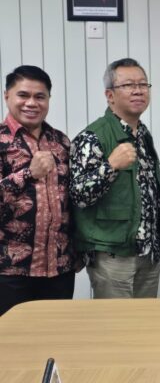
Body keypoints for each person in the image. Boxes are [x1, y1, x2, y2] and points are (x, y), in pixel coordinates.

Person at [70, 58, 160, 299]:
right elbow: (79, 195)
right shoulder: (93, 136)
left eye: (143, 84)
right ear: (110, 95)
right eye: (129, 85)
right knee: (114, 322)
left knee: (144, 320)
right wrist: (110, 166)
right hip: (112, 254)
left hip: (148, 252)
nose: (138, 90)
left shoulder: (143, 134)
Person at [0, 65, 78, 316]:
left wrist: (77, 250)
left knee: (56, 334)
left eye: (40, 96)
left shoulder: (60, 141)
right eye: (23, 95)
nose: (31, 103)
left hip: (59, 268)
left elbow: (71, 203)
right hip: (10, 270)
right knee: (11, 338)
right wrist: (27, 174)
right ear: (7, 96)